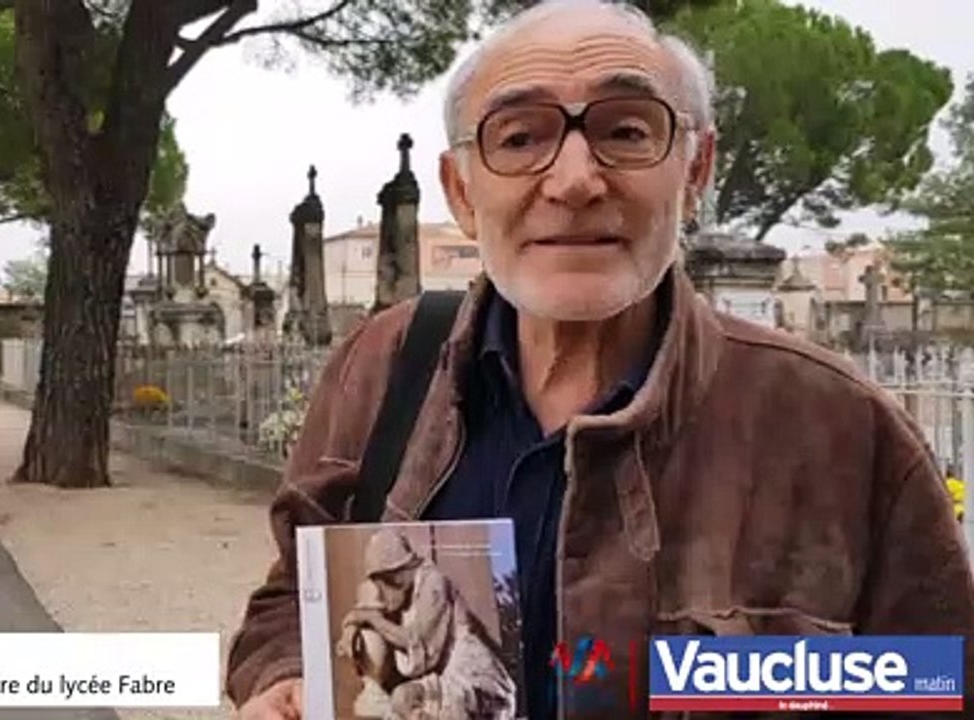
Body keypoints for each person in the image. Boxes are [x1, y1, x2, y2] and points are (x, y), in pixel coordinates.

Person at [225, 1, 974, 717]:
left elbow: (935, 683)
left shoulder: (839, 430)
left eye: (626, 131)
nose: (576, 180)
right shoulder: (381, 366)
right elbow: (294, 594)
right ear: (460, 191)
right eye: (518, 138)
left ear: (695, 170)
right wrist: (285, 677)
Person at [335, 529, 517, 720]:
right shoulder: (407, 595)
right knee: (399, 704)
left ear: (395, 577)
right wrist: (352, 627)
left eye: (382, 585)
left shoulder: (434, 583)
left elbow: (419, 644)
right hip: (447, 679)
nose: (382, 595)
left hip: (474, 679)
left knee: (402, 699)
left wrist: (372, 619)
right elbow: (363, 611)